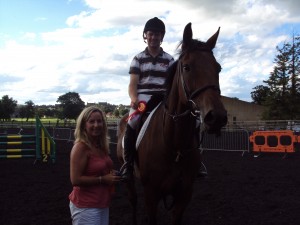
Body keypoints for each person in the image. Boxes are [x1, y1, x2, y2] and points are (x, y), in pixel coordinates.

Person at [120, 17, 175, 182]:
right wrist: (134, 98)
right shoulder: (138, 59)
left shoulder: (170, 60)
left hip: (164, 97)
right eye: (151, 34)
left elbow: (172, 84)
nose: (154, 37)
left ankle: (195, 162)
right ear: (145, 35)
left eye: (157, 34)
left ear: (162, 37)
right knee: (132, 123)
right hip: (143, 97)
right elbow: (133, 84)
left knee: (189, 120)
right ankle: (128, 165)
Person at [69, 106, 121, 225]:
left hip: (102, 204)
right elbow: (75, 179)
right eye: (91, 121)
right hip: (85, 207)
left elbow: (99, 168)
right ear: (84, 125)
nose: (96, 125)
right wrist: (103, 179)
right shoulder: (81, 148)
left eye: (99, 121)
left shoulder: (100, 146)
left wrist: (112, 174)